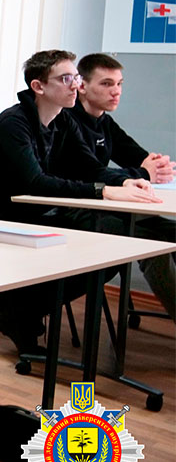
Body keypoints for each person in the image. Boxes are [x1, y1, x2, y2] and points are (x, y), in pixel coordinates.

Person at [0, 49, 162, 352]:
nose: (75, 85)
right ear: (38, 86)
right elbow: (35, 183)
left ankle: (20, 308)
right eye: (65, 79)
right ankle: (19, 308)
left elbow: (91, 167)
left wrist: (125, 181)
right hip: (2, 215)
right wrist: (102, 191)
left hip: (38, 211)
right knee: (108, 236)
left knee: (115, 243)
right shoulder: (14, 123)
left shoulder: (62, 120)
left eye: (75, 77)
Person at [62, 53, 175, 318]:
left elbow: (138, 157)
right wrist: (143, 172)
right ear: (82, 86)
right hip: (75, 209)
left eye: (119, 84)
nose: (116, 91)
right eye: (106, 84)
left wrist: (156, 165)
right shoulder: (67, 120)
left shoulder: (105, 122)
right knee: (152, 245)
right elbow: (91, 171)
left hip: (108, 204)